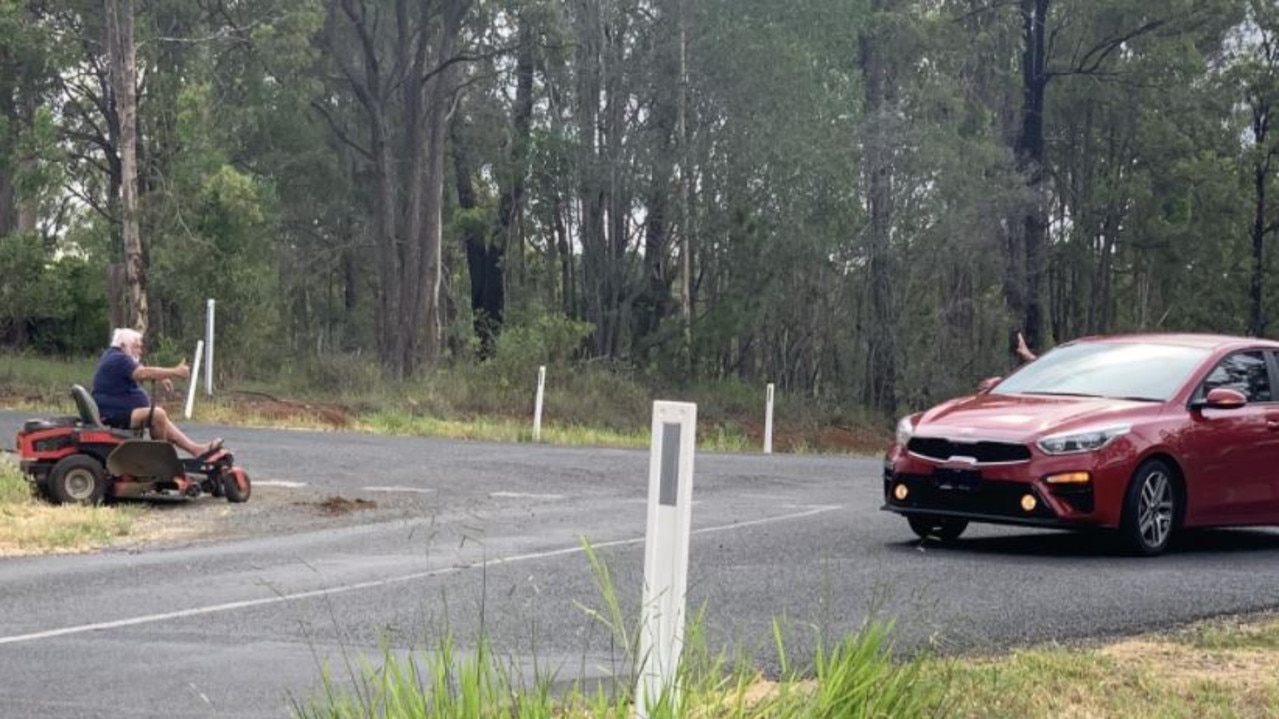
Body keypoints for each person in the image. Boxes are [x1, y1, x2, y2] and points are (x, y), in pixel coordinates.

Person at [92, 328, 221, 457]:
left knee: (159, 416)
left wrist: (161, 376)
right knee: (157, 415)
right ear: (123, 345)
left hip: (115, 412)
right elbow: (143, 373)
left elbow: (141, 369)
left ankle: (195, 450)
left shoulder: (115, 356)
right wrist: (175, 371)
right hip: (113, 415)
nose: (140, 351)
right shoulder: (118, 359)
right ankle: (160, 460)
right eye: (136, 347)